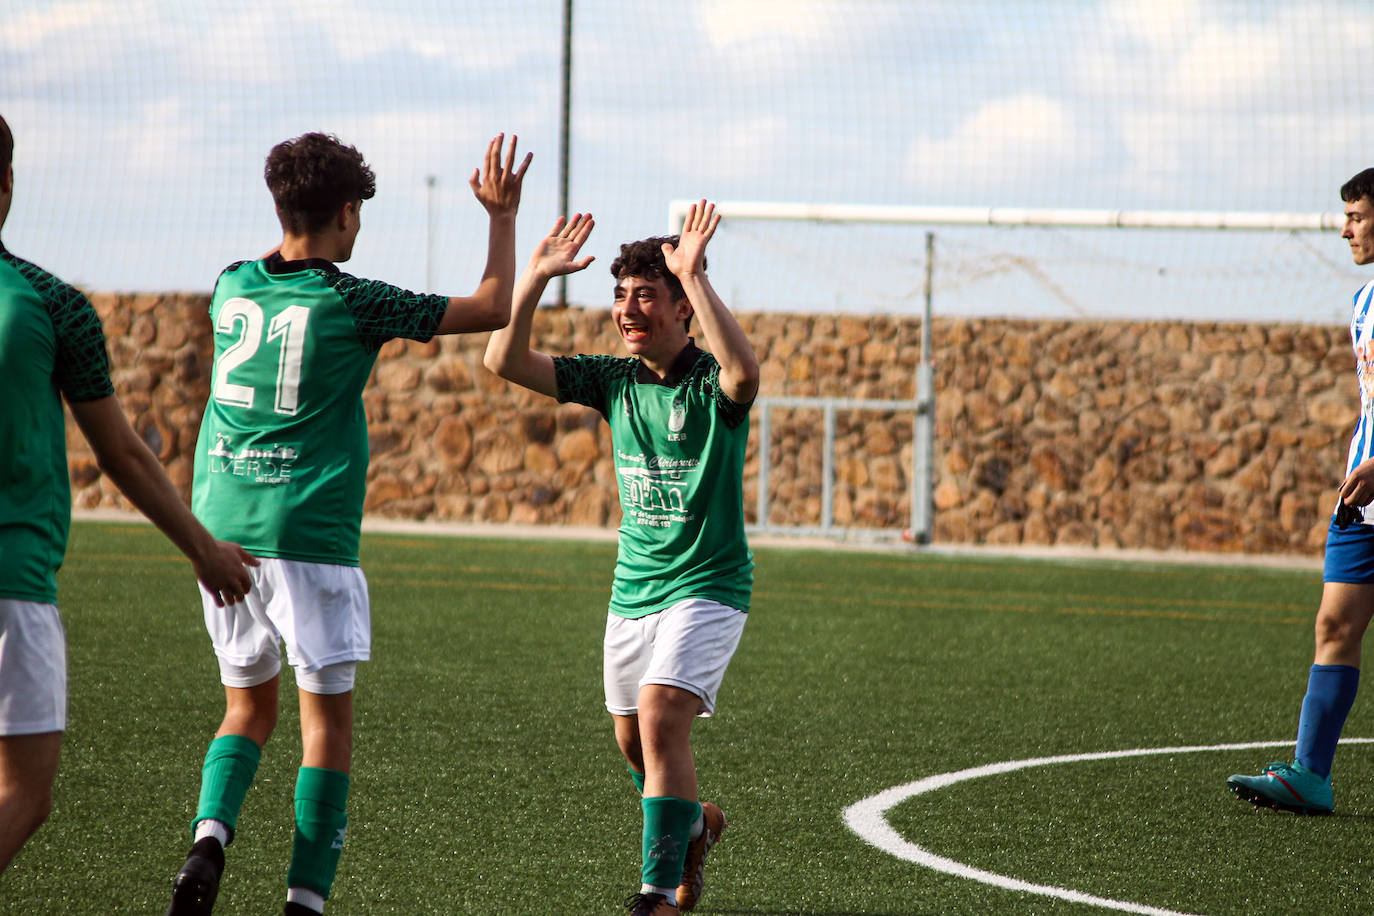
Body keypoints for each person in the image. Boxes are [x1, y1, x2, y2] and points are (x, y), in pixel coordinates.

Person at [165, 131, 528, 916]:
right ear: (348, 211)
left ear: (278, 203)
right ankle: (304, 902)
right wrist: (501, 217)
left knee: (244, 708)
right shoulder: (353, 297)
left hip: (220, 533)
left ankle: (208, 841)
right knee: (322, 727)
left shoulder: (230, 286)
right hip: (309, 538)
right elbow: (493, 305)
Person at [484, 201, 759, 915]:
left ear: (681, 310)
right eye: (620, 295)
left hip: (708, 585)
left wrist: (694, 273)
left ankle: (656, 894)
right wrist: (539, 275)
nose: (627, 309)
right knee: (632, 741)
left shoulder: (710, 385)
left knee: (662, 715)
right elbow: (502, 358)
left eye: (646, 295)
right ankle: (694, 822)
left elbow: (746, 371)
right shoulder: (614, 380)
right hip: (634, 591)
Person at [0, 113, 257, 876]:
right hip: (11, 584)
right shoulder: (48, 303)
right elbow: (121, 452)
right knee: (22, 790)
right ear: (9, 183)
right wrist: (205, 550)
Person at [1227, 167, 1374, 814]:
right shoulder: (1364, 304)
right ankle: (1311, 777)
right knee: (1334, 623)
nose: (1345, 229)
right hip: (1363, 500)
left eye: (1358, 216)